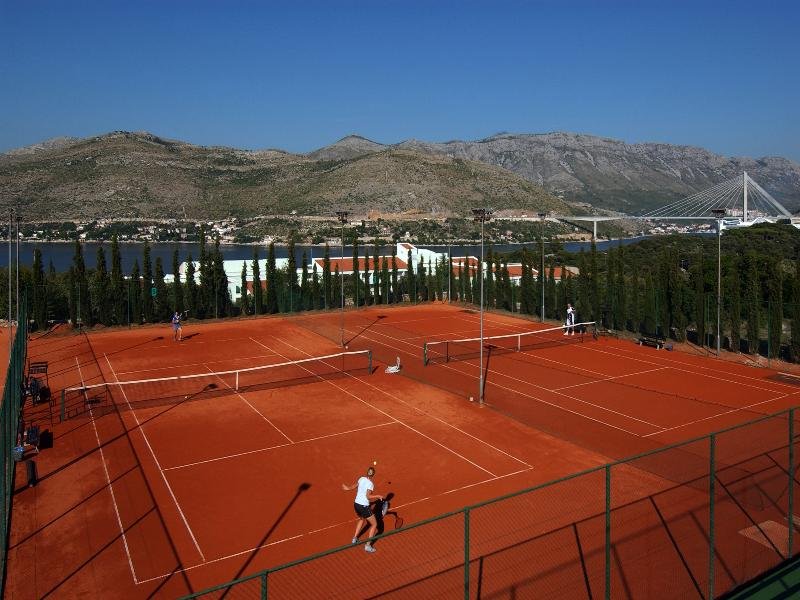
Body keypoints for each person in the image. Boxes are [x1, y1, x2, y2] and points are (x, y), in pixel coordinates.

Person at [342, 466, 383, 553]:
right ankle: (368, 546)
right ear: (373, 475)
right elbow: (368, 496)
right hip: (363, 506)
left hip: (356, 504)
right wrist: (378, 496)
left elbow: (354, 486)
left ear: (367, 472)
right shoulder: (371, 484)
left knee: (361, 519)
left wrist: (348, 488)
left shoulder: (361, 478)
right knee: (374, 524)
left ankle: (354, 538)